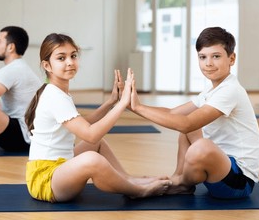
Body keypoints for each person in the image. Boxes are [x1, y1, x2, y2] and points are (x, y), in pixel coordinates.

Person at [24, 33, 171, 203]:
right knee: (92, 157)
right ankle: (137, 190)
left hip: (60, 166)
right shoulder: (54, 96)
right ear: (47, 65)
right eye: (61, 58)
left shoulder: (57, 92)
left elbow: (83, 125)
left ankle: (129, 179)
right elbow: (90, 133)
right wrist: (122, 104)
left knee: (97, 144)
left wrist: (111, 102)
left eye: (73, 56)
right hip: (45, 180)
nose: (70, 62)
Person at [130, 27, 259, 199]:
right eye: (203, 57)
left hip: (239, 181)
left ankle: (180, 183)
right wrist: (132, 104)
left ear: (232, 58)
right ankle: (178, 179)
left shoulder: (230, 90)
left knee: (199, 142)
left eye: (216, 56)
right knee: (189, 130)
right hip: (219, 167)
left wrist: (139, 108)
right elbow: (172, 112)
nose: (208, 63)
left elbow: (187, 123)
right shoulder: (211, 89)